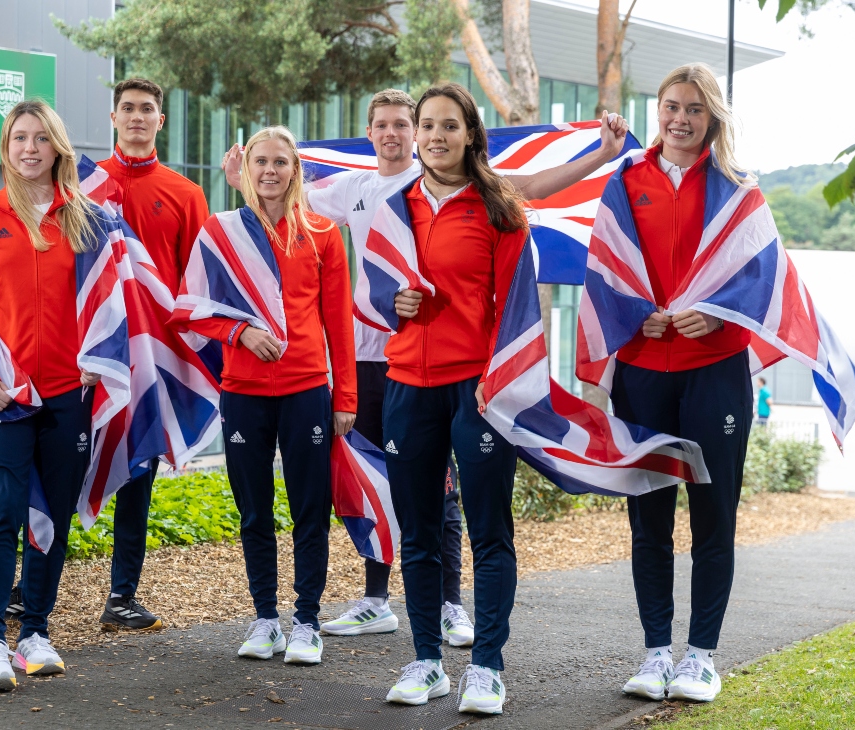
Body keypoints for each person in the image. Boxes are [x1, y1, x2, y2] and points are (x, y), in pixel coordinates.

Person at [222, 91, 630, 647]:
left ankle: (450, 605)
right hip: (373, 358)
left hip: (444, 360)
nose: (393, 133)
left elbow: (528, 191)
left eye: (402, 124)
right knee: (377, 479)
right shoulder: (357, 190)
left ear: (417, 132)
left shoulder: (447, 185)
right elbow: (281, 194)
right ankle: (375, 600)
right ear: (370, 133)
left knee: (444, 487)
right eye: (382, 125)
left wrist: (600, 156)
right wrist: (245, 176)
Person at [373, 82, 528, 714]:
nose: (436, 136)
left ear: (470, 134)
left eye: (448, 126)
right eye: (427, 125)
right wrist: (395, 304)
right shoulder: (393, 206)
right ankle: (427, 661)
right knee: (419, 531)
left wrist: (496, 375)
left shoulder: (500, 210)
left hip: (479, 388)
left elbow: (516, 305)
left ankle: (486, 667)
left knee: (489, 531)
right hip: (407, 386)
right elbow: (374, 292)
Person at [176, 126, 357, 665]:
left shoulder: (323, 232)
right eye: (261, 162)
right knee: (253, 509)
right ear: (246, 169)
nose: (271, 171)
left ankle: (306, 622)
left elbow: (338, 322)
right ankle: (265, 619)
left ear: (295, 169)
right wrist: (238, 333)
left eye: (281, 162)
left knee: (309, 508)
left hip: (307, 390)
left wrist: (345, 395)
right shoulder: (221, 231)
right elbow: (189, 307)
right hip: (244, 390)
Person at [608, 64, 756, 705]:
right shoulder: (625, 180)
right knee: (648, 521)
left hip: (715, 372)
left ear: (712, 117)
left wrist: (717, 312)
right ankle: (655, 652)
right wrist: (635, 311)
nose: (680, 119)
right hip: (642, 371)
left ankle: (700, 657)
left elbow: (761, 278)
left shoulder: (738, 190)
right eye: (671, 106)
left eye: (694, 109)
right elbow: (603, 269)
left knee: (712, 518)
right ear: (657, 110)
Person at [0, 100, 103, 690]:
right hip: (2, 397)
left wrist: (100, 356)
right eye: (19, 138)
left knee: (51, 516)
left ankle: (34, 633)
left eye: (41, 138)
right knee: (3, 510)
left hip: (71, 394)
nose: (30, 148)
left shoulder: (88, 220)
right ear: (6, 147)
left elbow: (108, 300)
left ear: (58, 147)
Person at [94, 78, 209, 632]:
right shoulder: (83, 183)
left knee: (138, 468)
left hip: (153, 356)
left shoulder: (186, 193)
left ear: (161, 120)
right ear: (113, 117)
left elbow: (195, 283)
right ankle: (26, 590)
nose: (137, 117)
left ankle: (121, 595)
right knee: (64, 463)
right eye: (128, 109)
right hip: (92, 351)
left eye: (147, 109)